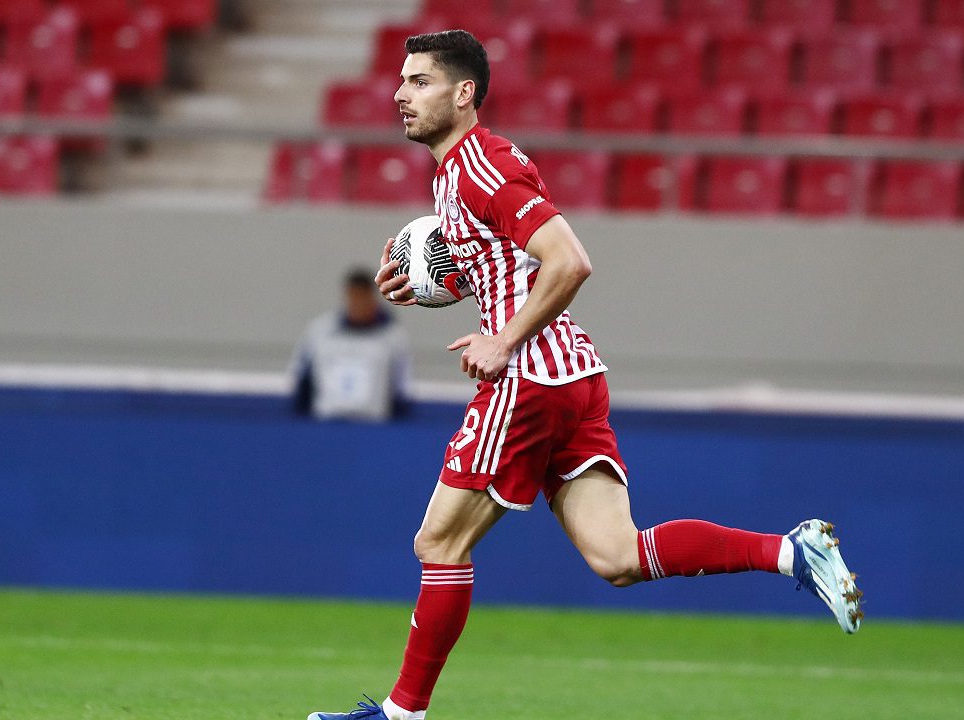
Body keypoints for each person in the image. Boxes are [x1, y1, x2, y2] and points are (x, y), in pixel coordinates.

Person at [308, 30, 863, 720]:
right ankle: (791, 552)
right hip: (571, 371)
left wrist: (504, 339)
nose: (400, 94)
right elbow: (509, 265)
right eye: (401, 80)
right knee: (617, 556)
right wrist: (440, 285)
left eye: (420, 81)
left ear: (464, 93)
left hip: (530, 377)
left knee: (439, 543)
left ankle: (401, 714)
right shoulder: (461, 172)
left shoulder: (481, 167)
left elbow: (569, 261)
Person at [289, 268, 410, 422]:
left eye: (363, 297)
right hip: (326, 421)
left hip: (373, 423)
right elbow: (300, 376)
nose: (358, 304)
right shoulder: (320, 331)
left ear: (373, 297)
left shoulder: (393, 337)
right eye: (354, 297)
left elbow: (401, 386)